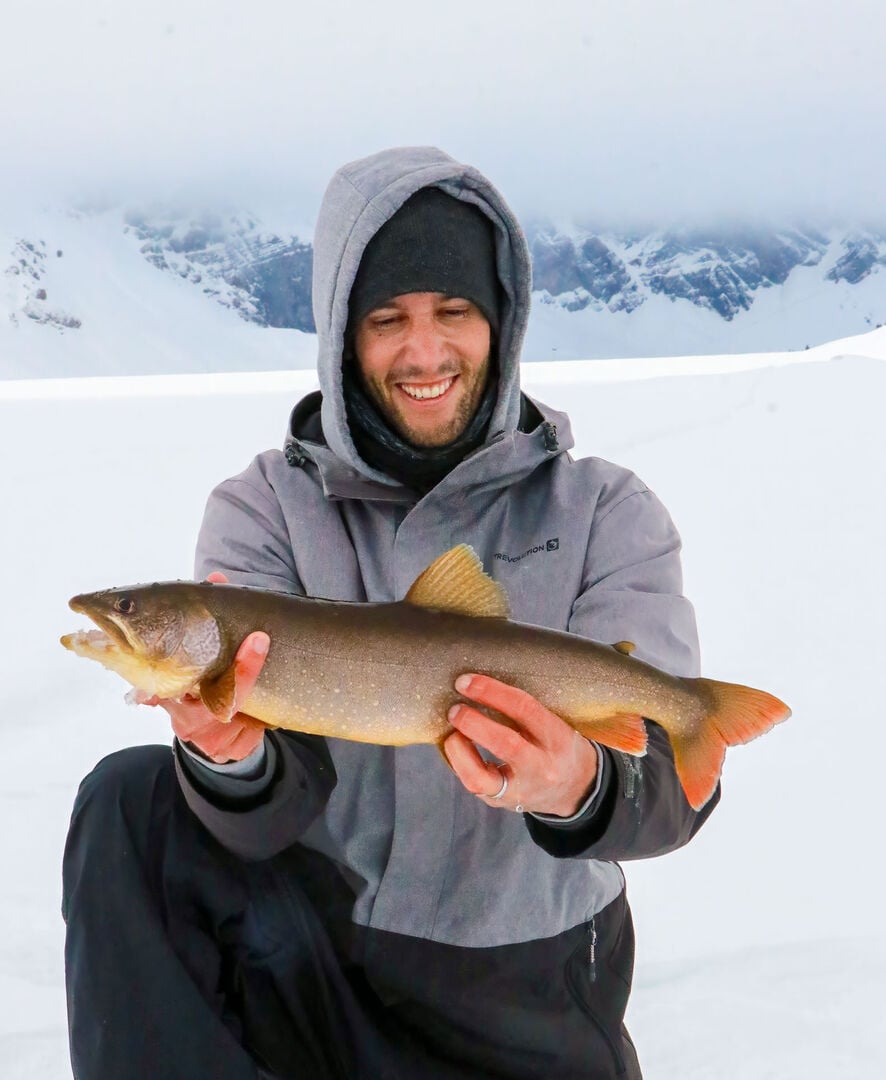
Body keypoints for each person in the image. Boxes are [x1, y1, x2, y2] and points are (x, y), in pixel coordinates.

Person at [62, 146, 719, 1079]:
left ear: (501, 321)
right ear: (341, 336)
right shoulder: (262, 511)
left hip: (527, 987)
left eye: (454, 311)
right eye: (387, 319)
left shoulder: (606, 512)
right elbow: (265, 820)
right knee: (131, 800)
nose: (424, 351)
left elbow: (666, 797)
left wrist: (579, 782)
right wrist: (232, 757)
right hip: (323, 959)